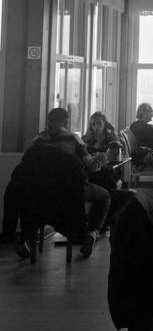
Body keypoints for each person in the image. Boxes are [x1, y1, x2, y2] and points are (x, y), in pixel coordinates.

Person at [30, 107, 110, 257]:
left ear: (48, 121)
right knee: (104, 195)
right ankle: (91, 234)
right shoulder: (73, 139)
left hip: (41, 192)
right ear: (66, 122)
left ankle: (29, 239)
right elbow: (91, 166)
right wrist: (101, 161)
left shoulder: (37, 141)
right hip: (70, 191)